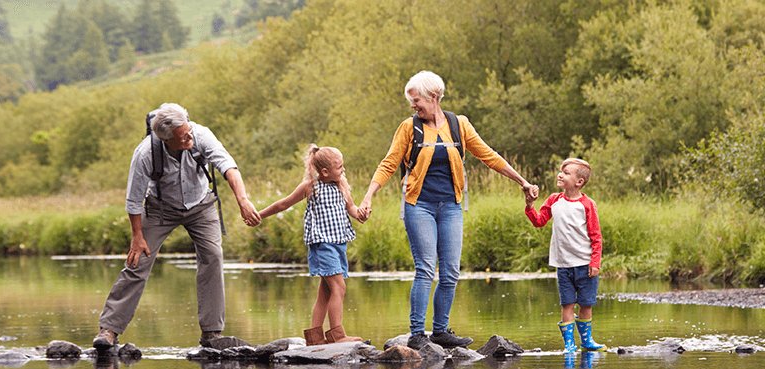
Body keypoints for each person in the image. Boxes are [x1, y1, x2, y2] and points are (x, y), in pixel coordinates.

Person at [358, 70, 538, 350]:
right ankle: (417, 333)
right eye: (411, 102)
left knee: (451, 270)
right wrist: (369, 195)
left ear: (434, 96)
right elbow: (389, 163)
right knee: (426, 268)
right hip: (419, 205)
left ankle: (440, 331)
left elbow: (488, 155)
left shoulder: (459, 124)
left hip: (451, 206)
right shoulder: (409, 127)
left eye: (416, 100)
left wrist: (522, 181)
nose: (413, 106)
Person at [92, 103, 261, 350]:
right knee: (138, 262)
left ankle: (212, 334)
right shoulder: (145, 153)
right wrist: (137, 236)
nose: (189, 136)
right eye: (183, 136)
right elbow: (133, 199)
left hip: (201, 205)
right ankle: (109, 330)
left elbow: (229, 167)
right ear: (166, 139)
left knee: (212, 257)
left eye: (188, 130)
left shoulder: (200, 134)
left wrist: (243, 200)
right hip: (160, 209)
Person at [258, 144, 364, 345]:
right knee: (339, 288)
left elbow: (351, 207)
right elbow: (284, 204)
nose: (343, 170)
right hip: (322, 244)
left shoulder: (341, 185)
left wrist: (361, 214)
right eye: (340, 167)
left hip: (339, 243)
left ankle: (315, 337)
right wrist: (260, 214)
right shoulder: (310, 187)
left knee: (325, 291)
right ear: (325, 171)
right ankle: (337, 334)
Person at [524, 158, 605, 352]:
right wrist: (529, 205)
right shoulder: (554, 200)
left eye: (566, 172)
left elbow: (596, 236)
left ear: (579, 182)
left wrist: (595, 262)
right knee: (567, 303)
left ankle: (586, 341)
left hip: (585, 264)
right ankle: (569, 345)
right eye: (561, 171)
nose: (560, 174)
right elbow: (539, 221)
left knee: (586, 304)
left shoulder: (587, 204)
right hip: (563, 265)